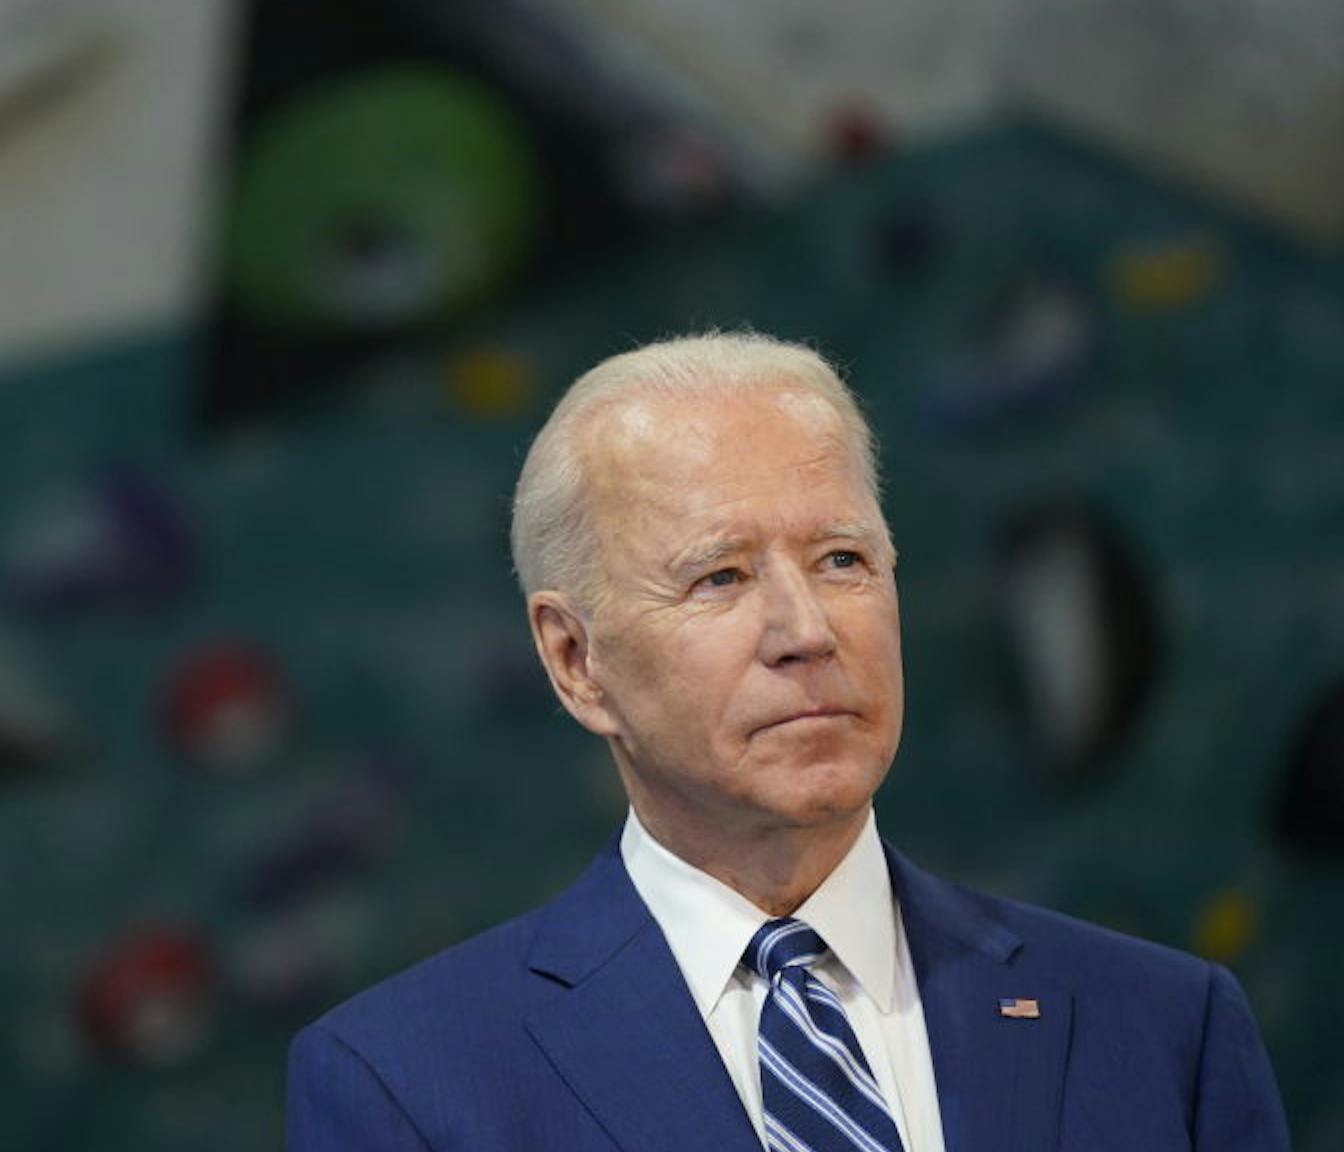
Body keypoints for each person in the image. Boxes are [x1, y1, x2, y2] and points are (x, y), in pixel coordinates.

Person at [285, 333, 1289, 1151]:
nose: (806, 630)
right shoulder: (403, 1087)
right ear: (574, 661)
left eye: (842, 559)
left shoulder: (1162, 1028)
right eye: (718, 577)